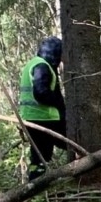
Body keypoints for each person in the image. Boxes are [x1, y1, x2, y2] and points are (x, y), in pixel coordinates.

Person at [19, 36, 67, 181]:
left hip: (31, 119)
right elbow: (41, 93)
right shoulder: (42, 66)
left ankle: (34, 185)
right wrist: (59, 103)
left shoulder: (32, 64)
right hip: (45, 118)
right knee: (72, 143)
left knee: (38, 157)